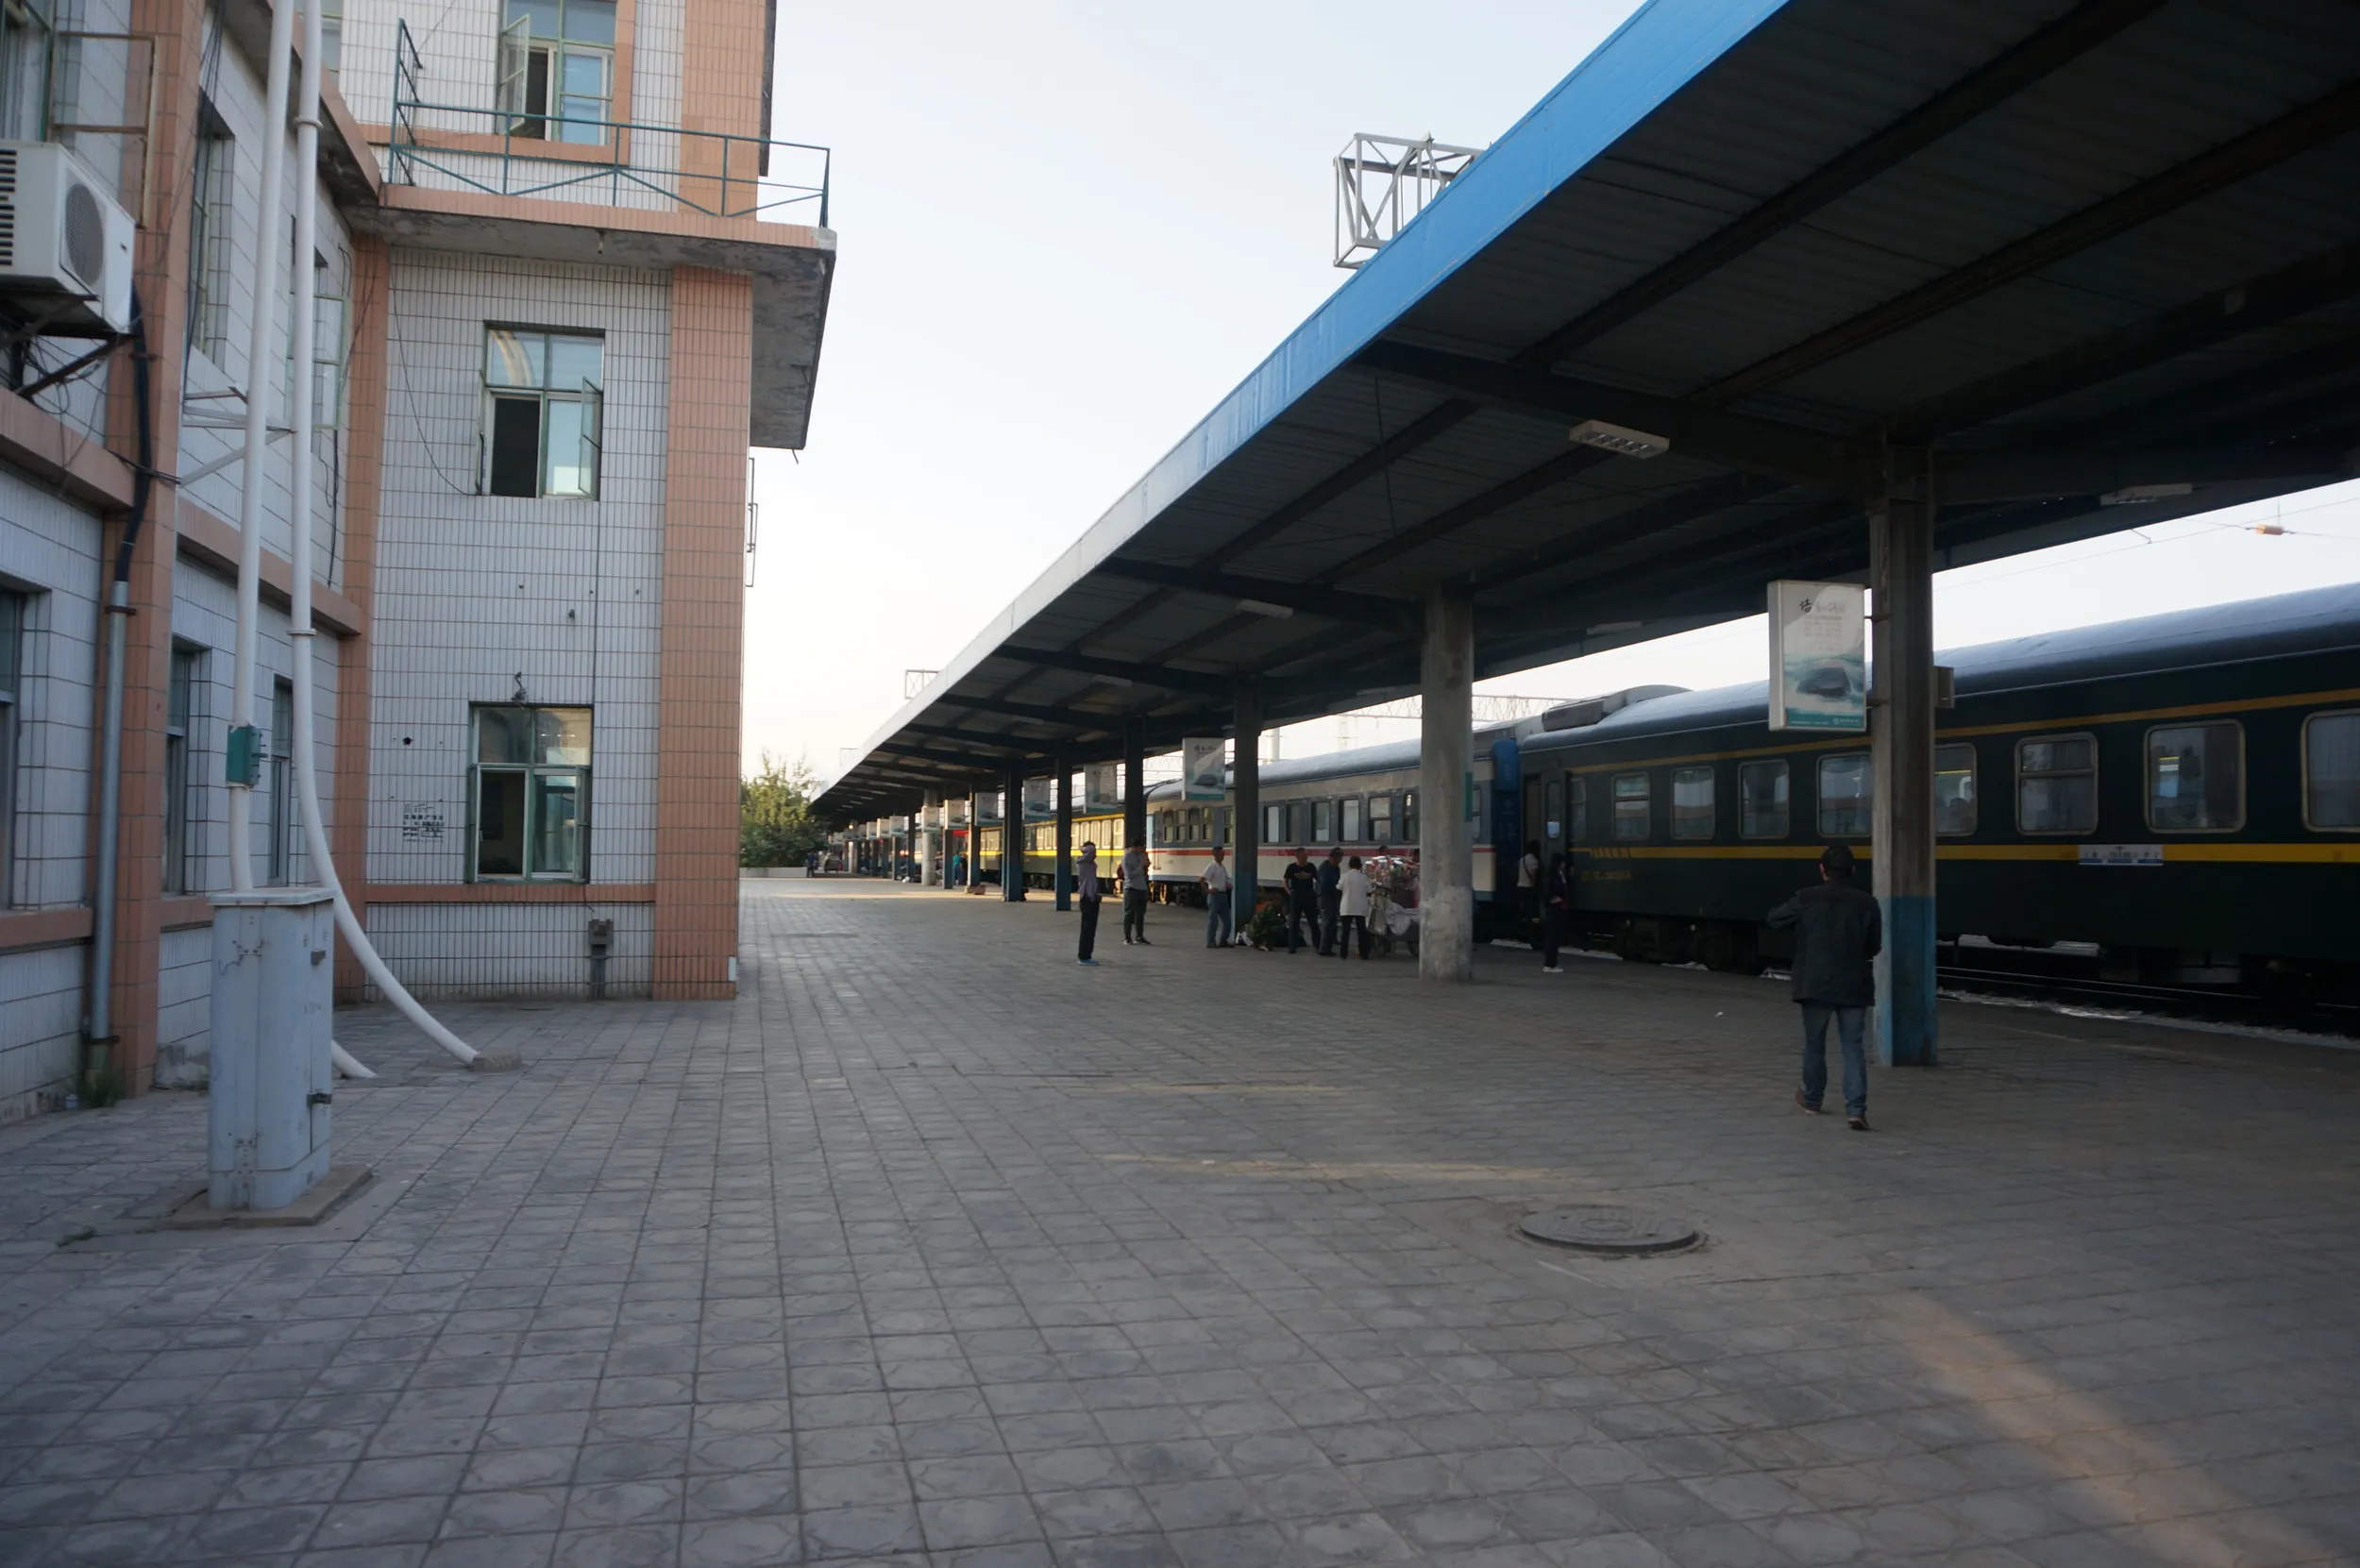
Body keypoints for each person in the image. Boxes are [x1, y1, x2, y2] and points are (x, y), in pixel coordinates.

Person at [1767, 843, 1881, 1130]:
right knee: (1853, 1046)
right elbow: (1875, 946)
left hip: (1815, 982)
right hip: (1854, 983)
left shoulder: (1806, 898)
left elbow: (1775, 919)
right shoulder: (1867, 902)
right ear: (1852, 870)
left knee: (1814, 1043)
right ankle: (1856, 1109)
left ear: (1822, 869)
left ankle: (1812, 1099)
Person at [1541, 851, 1574, 972]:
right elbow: (1548, 892)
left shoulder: (1559, 874)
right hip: (1555, 909)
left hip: (1560, 908)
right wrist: (1553, 899)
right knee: (1553, 937)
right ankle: (1550, 964)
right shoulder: (1552, 875)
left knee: (1555, 937)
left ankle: (1551, 963)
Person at [1282, 848, 1320, 953]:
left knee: (1313, 922)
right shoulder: (1292, 867)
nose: (1306, 857)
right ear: (1297, 856)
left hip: (1309, 895)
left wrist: (1315, 891)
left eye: (1306, 855)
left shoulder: (1311, 867)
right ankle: (1292, 947)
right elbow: (1285, 880)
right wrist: (1289, 891)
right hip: (1296, 895)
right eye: (1303, 855)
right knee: (1294, 922)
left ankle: (1318, 945)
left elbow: (1318, 879)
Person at [1336, 855, 1372, 959]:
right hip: (1360, 907)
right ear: (1360, 865)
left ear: (1349, 865)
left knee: (1345, 931)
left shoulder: (1344, 876)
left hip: (1347, 907)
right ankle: (1364, 954)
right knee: (1362, 932)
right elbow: (1369, 891)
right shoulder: (1364, 878)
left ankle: (1343, 954)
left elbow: (1338, 888)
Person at [1075, 842, 1104, 965]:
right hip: (1087, 897)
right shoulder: (1083, 862)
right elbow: (1090, 850)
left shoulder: (1089, 863)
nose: (1095, 853)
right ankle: (1084, 956)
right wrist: (1083, 848)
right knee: (1087, 928)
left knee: (1091, 929)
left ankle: (1087, 955)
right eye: (1094, 851)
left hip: (1092, 897)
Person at [1202, 845, 1235, 948]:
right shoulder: (1212, 866)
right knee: (1213, 921)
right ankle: (1210, 942)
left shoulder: (1222, 867)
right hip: (1215, 895)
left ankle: (1223, 940)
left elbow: (1223, 880)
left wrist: (1227, 885)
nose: (1223, 855)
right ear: (1215, 854)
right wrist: (1208, 890)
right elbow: (1201, 879)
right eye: (1222, 853)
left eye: (1223, 853)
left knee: (1227, 921)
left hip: (1223, 894)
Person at [1121, 841, 1152, 945]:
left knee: (1140, 914)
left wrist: (1146, 862)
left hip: (1142, 888)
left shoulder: (1141, 855)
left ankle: (1139, 936)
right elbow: (1129, 875)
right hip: (1131, 888)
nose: (1141, 850)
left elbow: (1146, 866)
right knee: (1129, 913)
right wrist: (1141, 867)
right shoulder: (1126, 858)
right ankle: (1127, 937)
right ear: (1134, 847)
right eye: (1140, 848)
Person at [1316, 847, 1343, 955]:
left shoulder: (1335, 868)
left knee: (1332, 922)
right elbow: (1325, 885)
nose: (1340, 860)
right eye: (1339, 858)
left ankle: (1328, 946)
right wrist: (1337, 891)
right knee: (1327, 922)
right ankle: (1323, 949)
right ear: (1333, 858)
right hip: (1325, 897)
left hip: (1332, 897)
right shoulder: (1325, 868)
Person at [1518, 840, 1542, 931]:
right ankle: (1530, 922)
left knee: (1523, 905)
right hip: (1528, 886)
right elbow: (1533, 875)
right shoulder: (1534, 860)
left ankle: (1523, 919)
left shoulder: (1522, 859)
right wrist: (1535, 885)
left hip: (1520, 885)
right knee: (1530, 906)